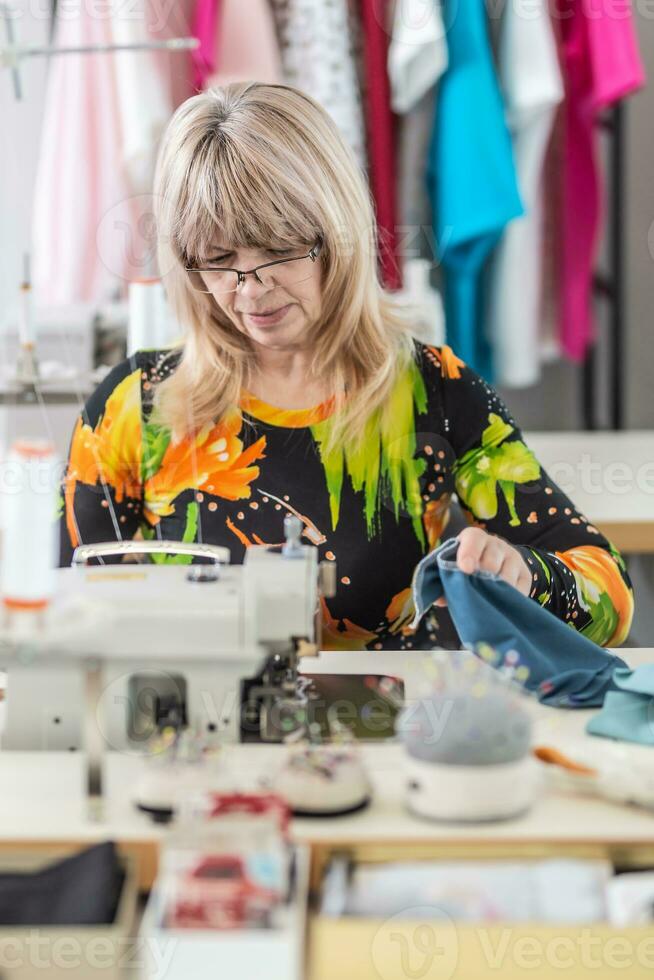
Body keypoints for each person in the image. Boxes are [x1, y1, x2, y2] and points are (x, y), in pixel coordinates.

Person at [58, 81, 634, 652]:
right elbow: (65, 613)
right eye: (218, 259)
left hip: (386, 731)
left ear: (336, 233)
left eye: (279, 248)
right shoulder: (133, 404)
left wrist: (526, 576)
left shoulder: (433, 391)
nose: (252, 290)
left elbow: (611, 602)